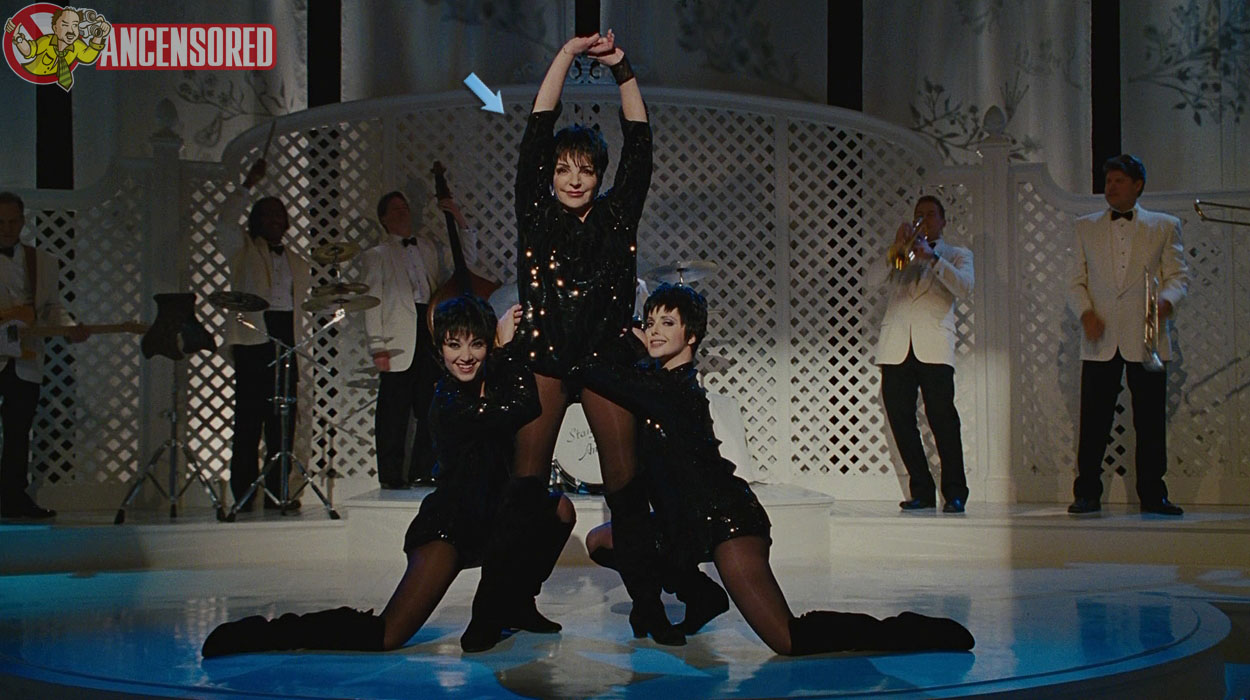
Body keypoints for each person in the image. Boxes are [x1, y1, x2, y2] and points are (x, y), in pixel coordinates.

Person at [586, 284, 975, 655]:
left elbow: (598, 372)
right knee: (602, 541)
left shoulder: (674, 390)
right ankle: (700, 593)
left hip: (726, 519)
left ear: (691, 336)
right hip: (683, 525)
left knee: (788, 638)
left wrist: (620, 341)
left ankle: (911, 631)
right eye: (650, 322)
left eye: (667, 323)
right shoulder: (654, 383)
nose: (654, 331)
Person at [201, 297, 575, 657]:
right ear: (439, 348)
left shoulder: (492, 381)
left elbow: (528, 401)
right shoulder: (447, 400)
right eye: (454, 345)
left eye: (476, 344)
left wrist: (504, 347)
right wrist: (502, 349)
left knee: (559, 510)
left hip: (493, 520)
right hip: (452, 526)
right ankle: (264, 632)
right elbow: (521, 406)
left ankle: (517, 605)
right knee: (387, 634)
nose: (465, 356)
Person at [460, 29, 674, 651]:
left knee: (625, 489)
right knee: (524, 489)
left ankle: (647, 608)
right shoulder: (535, 210)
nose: (574, 179)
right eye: (563, 169)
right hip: (545, 354)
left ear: (600, 175)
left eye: (585, 170)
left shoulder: (616, 214)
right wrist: (565, 56)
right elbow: (538, 125)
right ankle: (495, 608)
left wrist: (622, 68)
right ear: (549, 174)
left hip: (606, 356)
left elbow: (640, 141)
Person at [1067, 155, 1188, 516]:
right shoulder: (1084, 227)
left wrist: (1166, 302)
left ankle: (1153, 494)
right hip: (1100, 338)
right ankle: (1087, 493)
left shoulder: (1164, 226)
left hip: (1147, 337)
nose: (1112, 186)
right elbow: (1074, 281)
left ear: (1138, 185)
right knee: (1094, 420)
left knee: (1150, 421)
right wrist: (1086, 313)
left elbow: (1178, 276)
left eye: (1120, 180)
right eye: (1109, 181)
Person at [362, 191, 480, 489]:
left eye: (405, 207)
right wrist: (378, 345)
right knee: (394, 410)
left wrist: (460, 220)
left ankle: (423, 469)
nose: (402, 212)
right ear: (383, 218)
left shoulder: (427, 247)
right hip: (397, 336)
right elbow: (372, 302)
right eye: (395, 209)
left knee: (430, 405)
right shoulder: (377, 255)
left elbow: (466, 261)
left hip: (428, 326)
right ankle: (390, 474)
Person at [216, 159, 310, 512]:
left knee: (281, 421)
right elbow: (225, 222)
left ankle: (277, 492)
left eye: (279, 215)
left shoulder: (297, 261)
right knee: (249, 419)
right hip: (254, 339)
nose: (274, 220)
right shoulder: (242, 249)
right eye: (267, 214)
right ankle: (243, 494)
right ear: (256, 221)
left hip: (286, 337)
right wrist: (246, 186)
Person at [875, 196, 974, 513]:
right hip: (896, 346)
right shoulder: (902, 255)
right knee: (900, 420)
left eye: (931, 215)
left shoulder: (956, 254)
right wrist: (896, 248)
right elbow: (870, 281)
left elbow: (965, 287)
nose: (924, 220)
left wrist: (932, 259)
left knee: (943, 420)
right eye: (919, 214)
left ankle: (955, 492)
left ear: (943, 221)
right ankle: (921, 490)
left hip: (933, 346)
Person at [0, 192, 90, 519]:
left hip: (25, 359)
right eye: (0, 222)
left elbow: (51, 307)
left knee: (18, 431)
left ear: (23, 221)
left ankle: (13, 498)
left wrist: (70, 327)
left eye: (13, 221)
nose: (7, 228)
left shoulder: (43, 262)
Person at [5, 7, 110, 90]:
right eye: (65, 25)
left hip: (55, 88)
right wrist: (17, 37)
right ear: (55, 28)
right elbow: (29, 51)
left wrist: (99, 35)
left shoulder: (77, 45)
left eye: (75, 25)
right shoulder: (47, 41)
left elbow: (88, 56)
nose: (71, 31)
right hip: (29, 82)